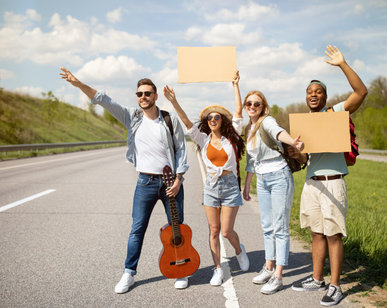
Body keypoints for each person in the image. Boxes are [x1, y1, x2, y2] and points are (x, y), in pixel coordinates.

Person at [59, 68, 190, 292]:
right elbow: (104, 100)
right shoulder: (132, 117)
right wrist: (79, 84)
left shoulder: (169, 120)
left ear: (155, 96)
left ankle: (181, 270)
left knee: (176, 229)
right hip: (145, 183)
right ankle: (129, 273)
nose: (143, 97)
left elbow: (181, 150)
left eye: (147, 93)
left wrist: (179, 179)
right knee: (137, 229)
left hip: (171, 183)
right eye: (139, 94)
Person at [290, 45, 368, 306]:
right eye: (310, 92)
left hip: (333, 182)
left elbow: (361, 92)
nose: (314, 95)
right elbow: (304, 160)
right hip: (312, 184)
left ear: (325, 96)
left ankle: (335, 285)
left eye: (318, 91)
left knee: (333, 234)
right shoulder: (304, 124)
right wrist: (296, 152)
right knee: (316, 233)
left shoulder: (334, 113)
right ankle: (317, 278)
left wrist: (342, 64)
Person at [163, 71, 250, 286]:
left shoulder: (233, 136)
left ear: (222, 120)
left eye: (216, 117)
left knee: (227, 231)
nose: (212, 119)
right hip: (211, 186)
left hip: (230, 186)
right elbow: (185, 122)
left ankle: (239, 251)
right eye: (209, 117)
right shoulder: (202, 139)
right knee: (214, 230)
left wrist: (236, 86)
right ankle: (218, 269)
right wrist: (174, 101)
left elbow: (239, 112)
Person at [240, 85, 305, 294]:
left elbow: (279, 132)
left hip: (279, 177)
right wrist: (248, 183)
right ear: (245, 106)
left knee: (280, 227)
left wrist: (292, 140)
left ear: (263, 107)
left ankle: (278, 275)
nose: (252, 106)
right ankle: (268, 267)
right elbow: (251, 160)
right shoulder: (248, 129)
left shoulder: (266, 121)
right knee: (267, 226)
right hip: (262, 180)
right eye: (249, 103)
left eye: (256, 104)